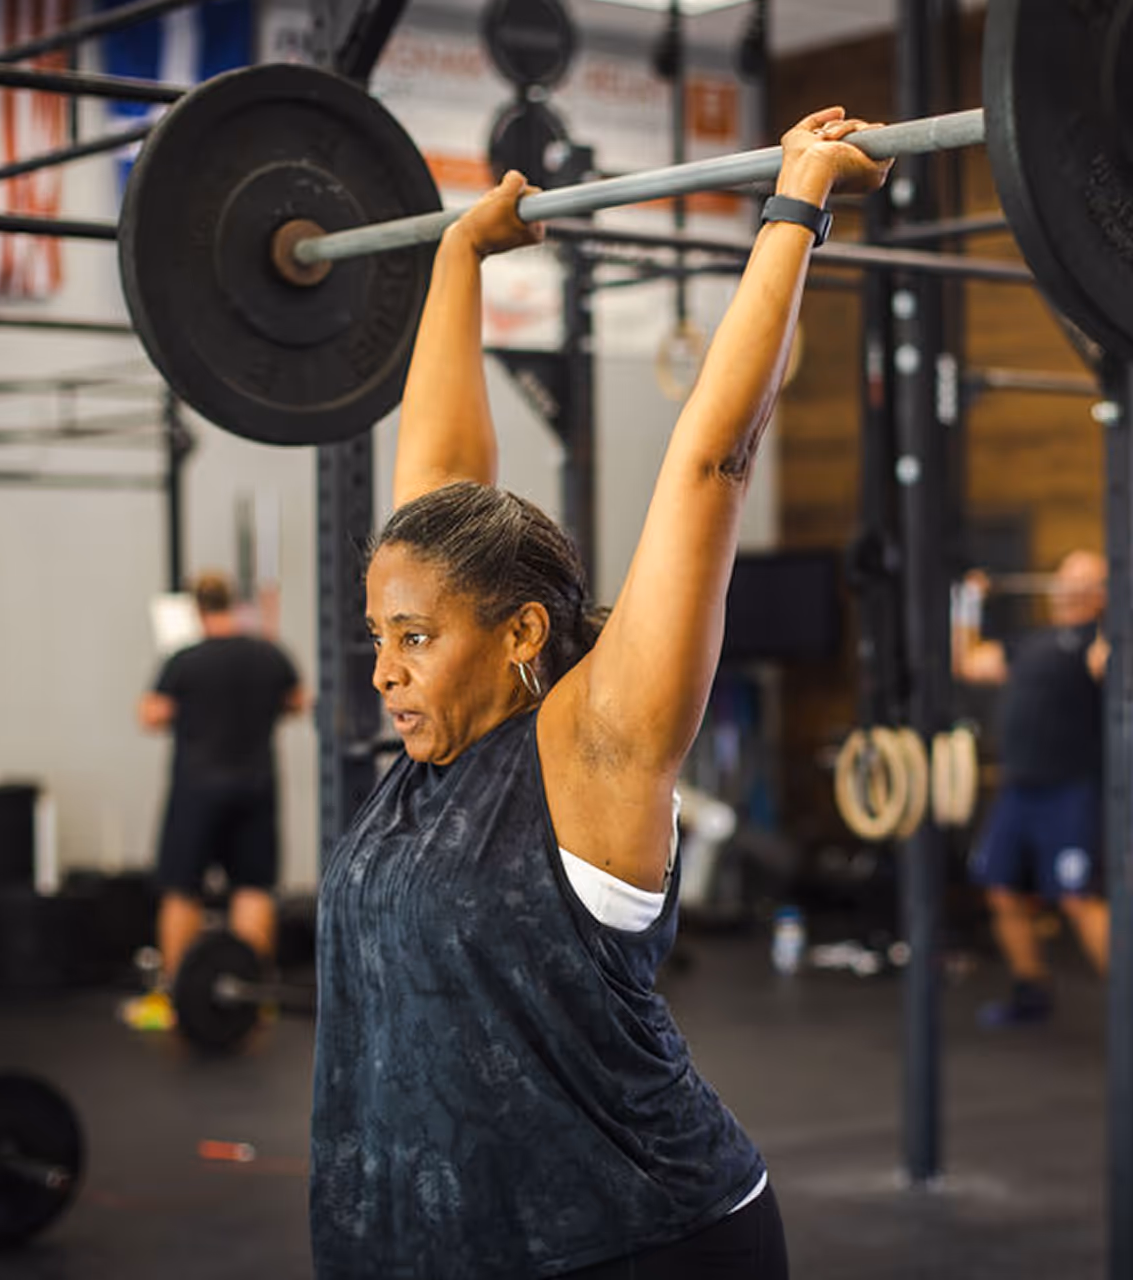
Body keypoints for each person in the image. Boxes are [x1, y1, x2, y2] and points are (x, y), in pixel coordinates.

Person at [309, 108, 891, 1279]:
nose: (381, 669)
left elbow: (709, 462)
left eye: (410, 637)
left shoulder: (595, 743)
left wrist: (795, 204)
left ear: (518, 630)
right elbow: (436, 493)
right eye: (378, 634)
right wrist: (456, 261)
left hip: (637, 1243)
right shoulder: (434, 745)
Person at [126, 570, 306, 1031]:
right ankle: (254, 997)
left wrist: (189, 707)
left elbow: (150, 714)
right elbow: (299, 702)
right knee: (253, 887)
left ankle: (172, 998)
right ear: (234, 603)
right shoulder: (268, 652)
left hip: (197, 788)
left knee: (182, 888)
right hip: (256, 786)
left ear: (196, 610)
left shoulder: (186, 659)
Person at [953, 550, 1110, 1027]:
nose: (1069, 588)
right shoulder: (1028, 643)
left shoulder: (1098, 643)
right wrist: (965, 604)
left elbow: (1113, 664)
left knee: (1079, 899)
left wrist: (1121, 608)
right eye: (1065, 579)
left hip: (1071, 791)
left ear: (1104, 593)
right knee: (1001, 890)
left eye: (1084, 582)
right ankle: (1031, 991)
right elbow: (968, 662)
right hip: (1019, 791)